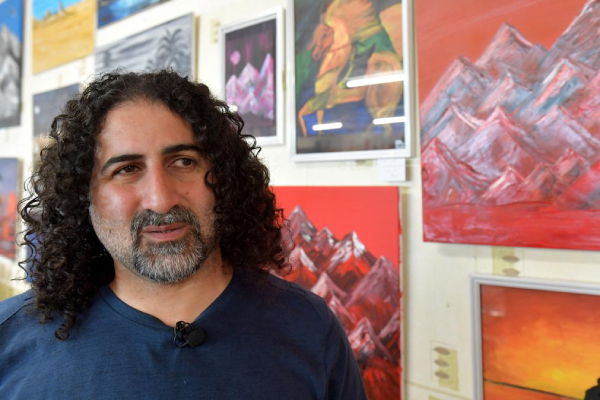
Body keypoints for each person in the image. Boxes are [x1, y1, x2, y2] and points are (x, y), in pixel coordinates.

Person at [0, 70, 367, 399]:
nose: (160, 200)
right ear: (84, 196)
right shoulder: (10, 340)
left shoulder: (310, 328)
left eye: (183, 162)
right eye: (127, 169)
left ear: (224, 178)